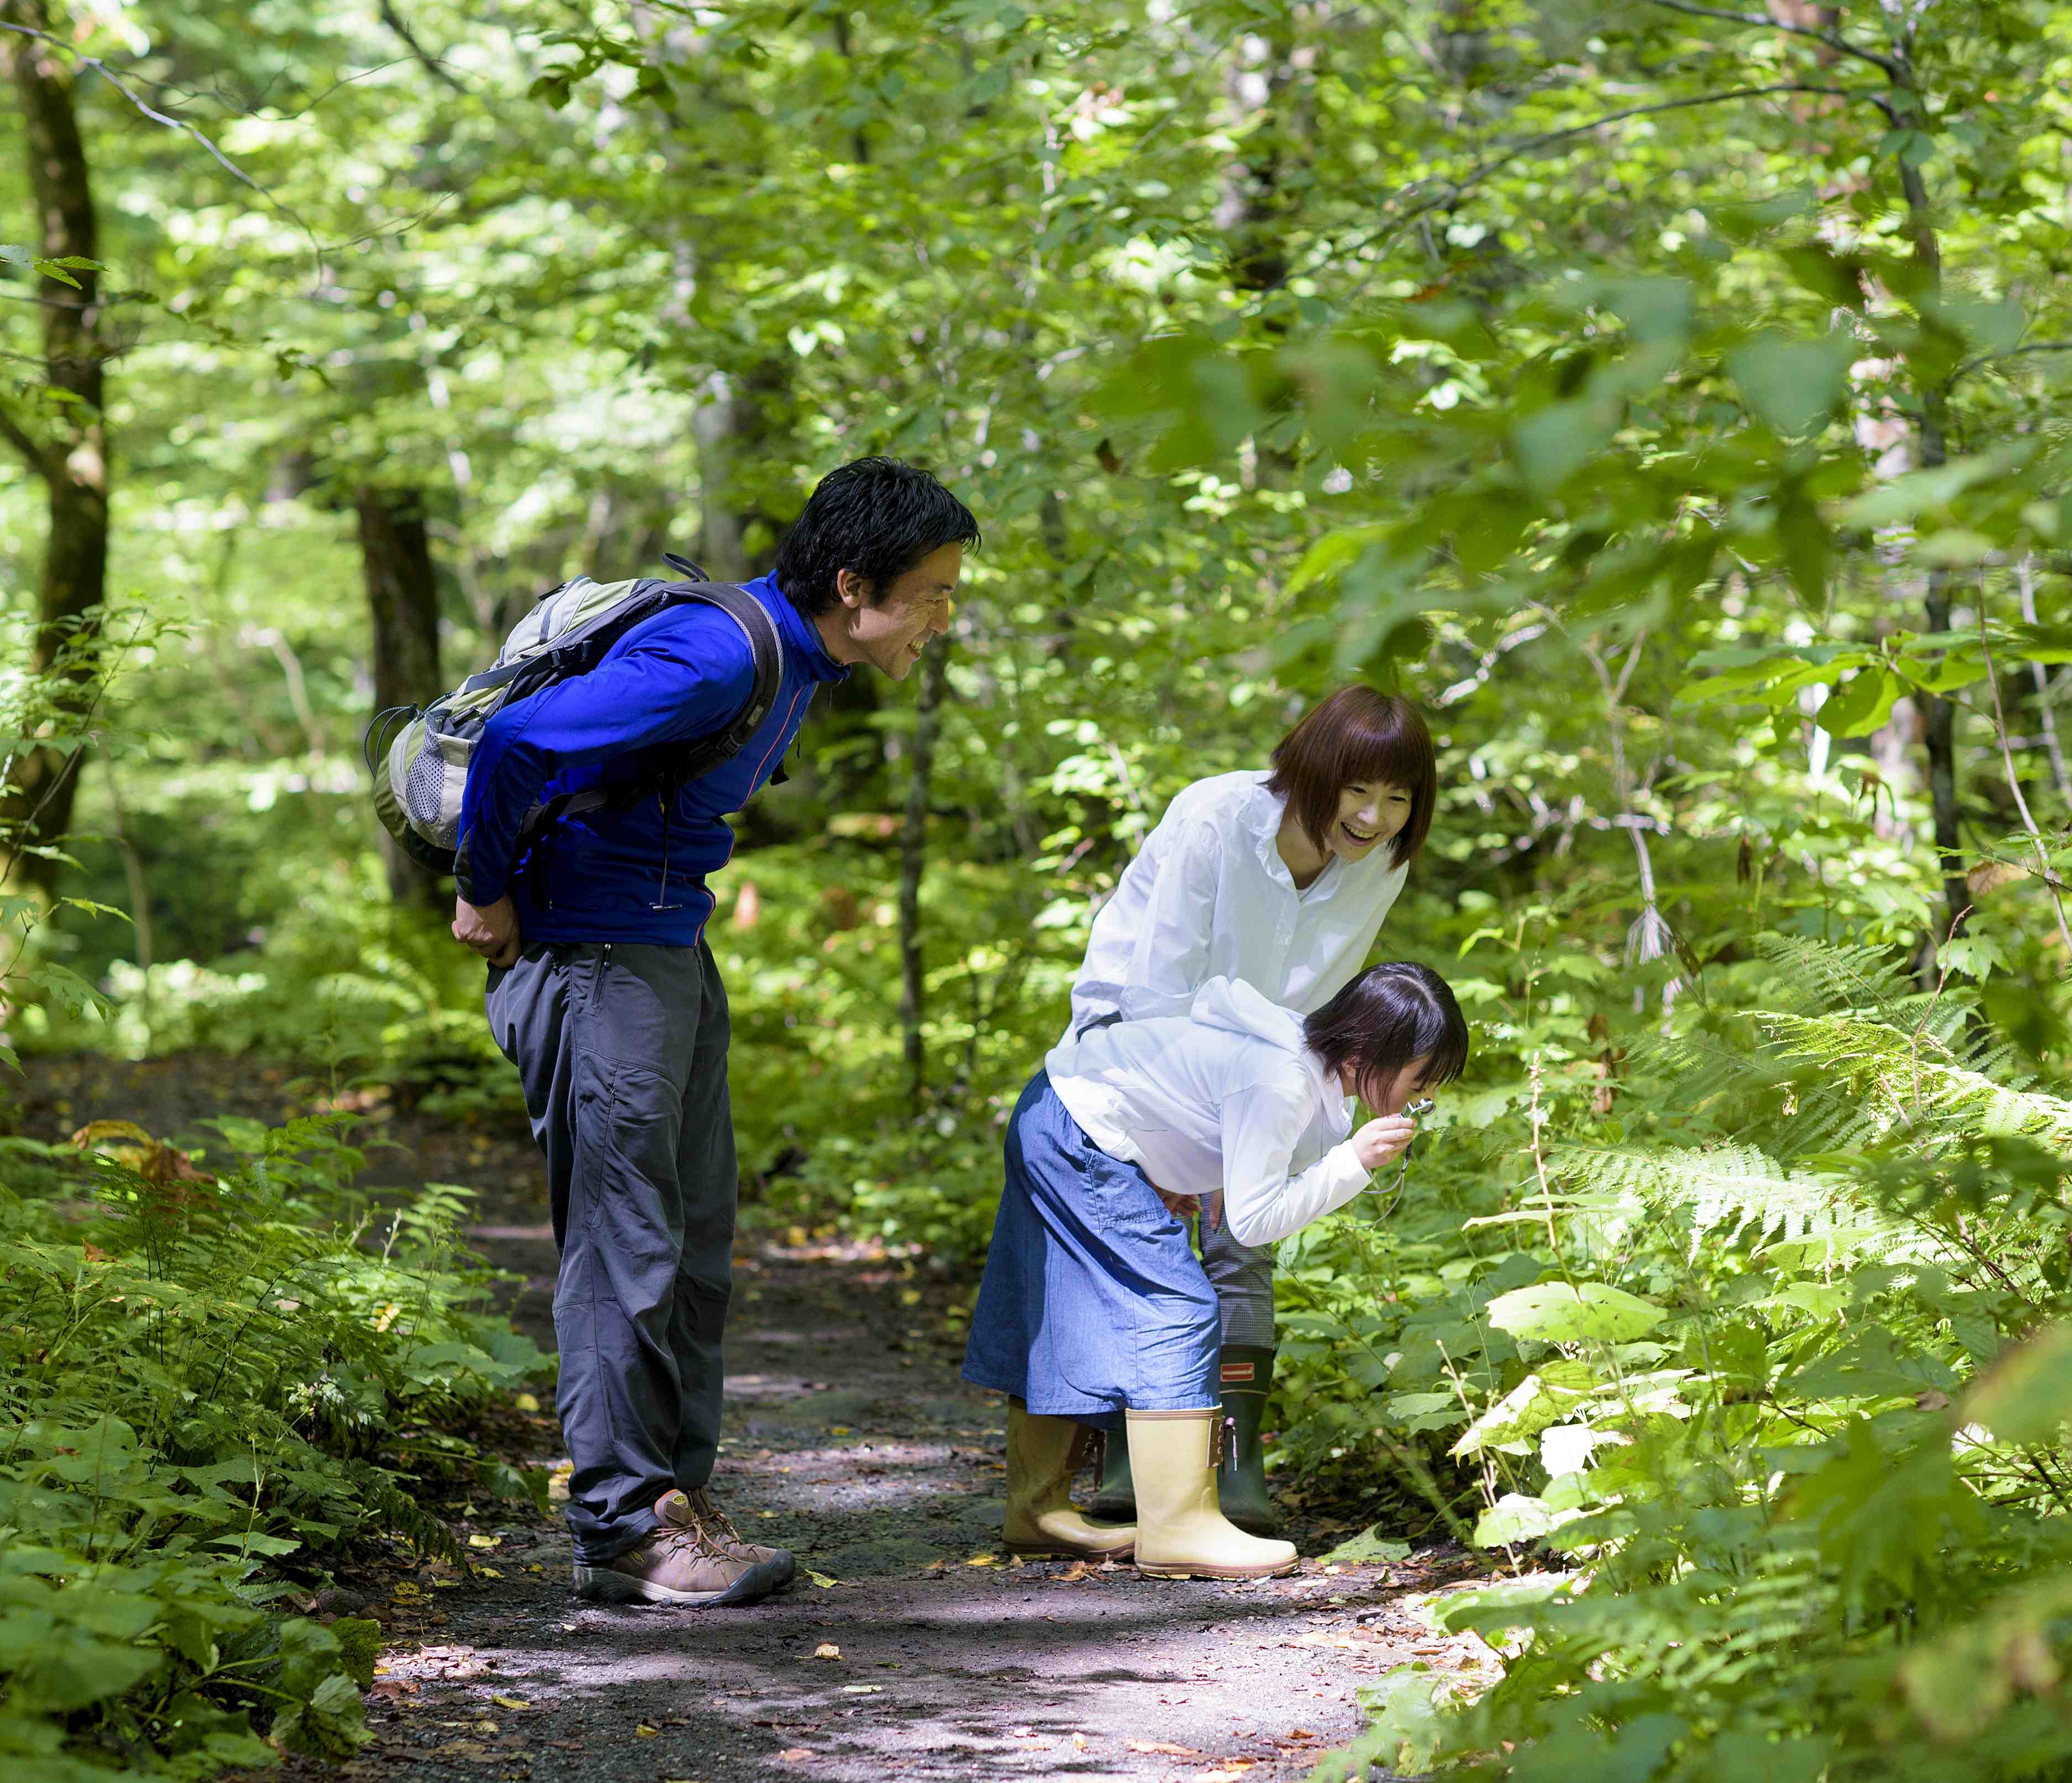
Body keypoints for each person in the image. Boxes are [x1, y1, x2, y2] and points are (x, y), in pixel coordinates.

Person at [453, 457, 978, 1607]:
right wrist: (484, 886)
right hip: (592, 960)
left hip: (661, 950)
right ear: (853, 583)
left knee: (693, 1243)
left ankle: (675, 1506)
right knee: (623, 1241)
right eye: (933, 590)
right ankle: (619, 1531)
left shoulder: (802, 657)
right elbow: (517, 742)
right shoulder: (718, 654)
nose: (946, 613)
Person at [1068, 686, 1437, 1534]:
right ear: (1314, 769)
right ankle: (1135, 1452)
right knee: (1150, 1242)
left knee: (1243, 1235)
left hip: (1260, 1057)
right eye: (1357, 790)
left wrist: (1268, 1130)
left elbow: (1317, 999)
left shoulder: (1380, 863)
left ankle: (1234, 1462)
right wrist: (1168, 1142)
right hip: (1135, 1042)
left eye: (1397, 798)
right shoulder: (1215, 819)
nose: (1373, 817)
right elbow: (1156, 985)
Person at [963, 963, 1469, 1579]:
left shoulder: (1294, 1059)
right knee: (1178, 1306)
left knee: (1068, 1304)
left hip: (1060, 1112)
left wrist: (1168, 1170)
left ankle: (1036, 1510)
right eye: (1419, 1078)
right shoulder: (1282, 1078)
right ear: (1371, 1051)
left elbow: (1179, 1104)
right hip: (1074, 1129)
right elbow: (1251, 1224)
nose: (1422, 1097)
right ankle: (1177, 1526)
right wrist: (1353, 1163)